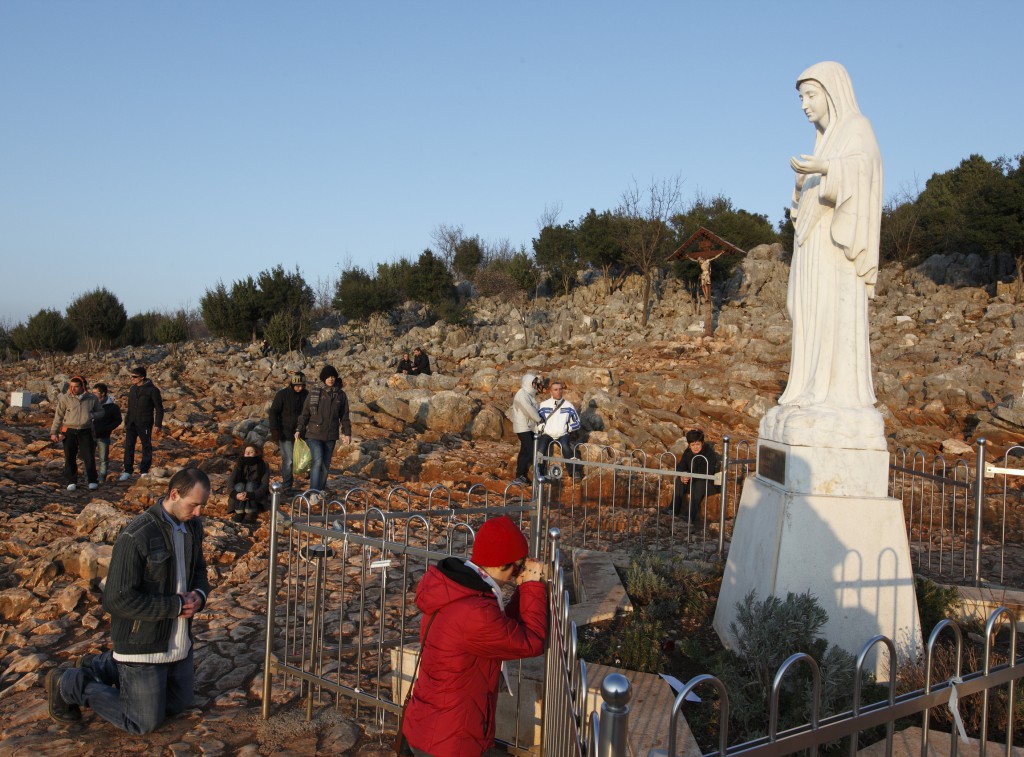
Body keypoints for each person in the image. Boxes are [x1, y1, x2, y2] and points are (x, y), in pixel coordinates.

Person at [760, 61, 884, 449]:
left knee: (832, 313)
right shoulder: (823, 140)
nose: (804, 105)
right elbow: (803, 207)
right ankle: (808, 386)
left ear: (832, 93)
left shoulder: (856, 128)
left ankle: (835, 394)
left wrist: (826, 168)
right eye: (801, 97)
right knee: (807, 313)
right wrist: (802, 184)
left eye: (810, 95)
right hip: (812, 248)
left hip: (836, 251)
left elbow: (866, 171)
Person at [47, 467, 212, 734]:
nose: (198, 513)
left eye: (202, 506)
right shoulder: (137, 535)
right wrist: (176, 606)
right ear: (173, 494)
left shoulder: (192, 527)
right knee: (142, 722)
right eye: (194, 505)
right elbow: (116, 600)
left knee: (179, 704)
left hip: (178, 643)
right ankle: (68, 684)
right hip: (142, 645)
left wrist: (199, 596)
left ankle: (100, 666)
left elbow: (199, 571)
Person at [401, 516, 547, 757]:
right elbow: (532, 640)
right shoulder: (474, 612)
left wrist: (523, 588)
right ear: (502, 565)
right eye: (517, 567)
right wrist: (532, 587)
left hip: (433, 724)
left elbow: (502, 628)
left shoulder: (461, 590)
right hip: (450, 739)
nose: (516, 574)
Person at [296, 365, 351, 492]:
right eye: (328, 377)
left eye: (332, 376)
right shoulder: (315, 392)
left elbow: (344, 416)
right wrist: (299, 428)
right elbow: (305, 413)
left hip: (331, 435)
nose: (331, 379)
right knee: (318, 461)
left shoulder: (341, 395)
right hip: (314, 434)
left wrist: (347, 433)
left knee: (325, 465)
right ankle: (313, 491)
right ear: (323, 378)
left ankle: (320, 490)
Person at [50, 375, 103, 492]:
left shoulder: (92, 398)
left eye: (76, 386)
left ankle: (92, 481)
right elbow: (58, 416)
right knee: (70, 457)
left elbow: (101, 412)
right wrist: (54, 431)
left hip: (85, 430)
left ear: (82, 386)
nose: (72, 389)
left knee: (88, 456)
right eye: (71, 386)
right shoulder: (65, 398)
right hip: (69, 431)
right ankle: (71, 481)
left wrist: (92, 415)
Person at [119, 366, 164, 481]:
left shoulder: (153, 390)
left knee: (146, 446)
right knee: (129, 446)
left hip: (144, 423)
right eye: (131, 376)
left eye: (135, 377)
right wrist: (126, 422)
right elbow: (130, 407)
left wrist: (157, 424)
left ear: (142, 377)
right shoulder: (133, 389)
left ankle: (144, 470)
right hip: (131, 423)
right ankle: (127, 470)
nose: (132, 378)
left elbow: (159, 408)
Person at [268, 372, 309, 492]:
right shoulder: (282, 395)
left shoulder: (306, 395)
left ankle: (307, 477)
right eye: (297, 386)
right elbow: (273, 412)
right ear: (292, 384)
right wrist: (274, 430)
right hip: (285, 433)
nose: (299, 388)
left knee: (306, 458)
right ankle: (287, 486)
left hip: (302, 433)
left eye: (302, 386)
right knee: (289, 460)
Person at [672, 429, 720, 522]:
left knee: (700, 484)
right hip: (693, 482)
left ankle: (690, 516)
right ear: (689, 445)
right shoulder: (688, 452)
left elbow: (708, 472)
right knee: (679, 480)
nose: (695, 447)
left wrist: (690, 475)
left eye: (697, 444)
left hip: (708, 485)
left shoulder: (709, 454)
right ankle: (673, 510)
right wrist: (683, 474)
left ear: (702, 443)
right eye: (693, 445)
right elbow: (681, 465)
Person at [537, 380, 581, 477]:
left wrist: (568, 428)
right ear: (551, 392)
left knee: (566, 448)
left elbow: (577, 422)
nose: (558, 391)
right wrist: (541, 427)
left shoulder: (568, 406)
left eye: (560, 389)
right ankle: (539, 472)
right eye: (556, 390)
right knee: (541, 449)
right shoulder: (543, 405)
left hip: (562, 434)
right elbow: (538, 419)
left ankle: (573, 472)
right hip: (547, 434)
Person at [510, 373, 544, 485]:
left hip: (528, 427)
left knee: (525, 450)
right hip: (522, 427)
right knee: (529, 450)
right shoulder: (522, 394)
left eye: (535, 383)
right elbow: (528, 409)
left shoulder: (529, 395)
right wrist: (539, 419)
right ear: (528, 382)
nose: (535, 385)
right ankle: (521, 476)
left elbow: (536, 407)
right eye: (533, 383)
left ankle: (521, 476)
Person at [226, 444, 270, 523]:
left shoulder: (263, 465)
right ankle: (239, 512)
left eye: (251, 452)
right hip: (240, 492)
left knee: (250, 485)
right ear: (244, 453)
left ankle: (250, 512)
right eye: (246, 452)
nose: (248, 454)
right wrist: (235, 495)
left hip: (255, 494)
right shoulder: (239, 464)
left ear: (256, 453)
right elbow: (230, 481)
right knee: (240, 485)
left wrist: (250, 495)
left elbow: (264, 486)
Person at [92, 382, 123, 481]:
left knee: (103, 459)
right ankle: (90, 477)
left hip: (103, 435)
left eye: (95, 393)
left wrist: (107, 428)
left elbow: (118, 420)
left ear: (103, 393)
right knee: (89, 457)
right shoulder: (90, 404)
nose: (93, 395)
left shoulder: (112, 407)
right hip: (89, 435)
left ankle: (101, 478)